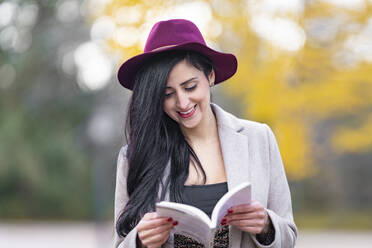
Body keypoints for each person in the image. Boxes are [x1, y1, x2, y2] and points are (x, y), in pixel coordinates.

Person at [113, 19, 297, 248]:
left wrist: (267, 226)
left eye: (190, 87)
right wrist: (140, 241)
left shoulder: (258, 138)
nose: (182, 103)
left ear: (210, 76)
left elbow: (289, 235)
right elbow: (119, 243)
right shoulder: (135, 156)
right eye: (167, 94)